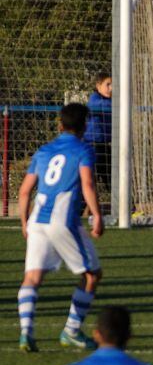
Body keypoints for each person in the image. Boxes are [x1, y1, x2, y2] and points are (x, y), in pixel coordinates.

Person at [17, 103, 104, 352]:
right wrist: (97, 214)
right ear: (84, 126)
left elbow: (24, 192)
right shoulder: (83, 150)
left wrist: (24, 223)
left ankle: (26, 333)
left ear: (60, 125)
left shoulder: (43, 151)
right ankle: (71, 330)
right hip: (62, 220)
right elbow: (87, 183)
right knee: (91, 275)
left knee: (32, 278)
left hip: (37, 221)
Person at [84, 72, 112, 207]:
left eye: (113, 85)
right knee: (87, 179)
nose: (111, 88)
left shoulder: (110, 101)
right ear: (98, 85)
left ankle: (128, 208)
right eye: (108, 84)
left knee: (111, 177)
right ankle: (78, 209)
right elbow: (103, 106)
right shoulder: (95, 99)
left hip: (103, 145)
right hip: (91, 146)